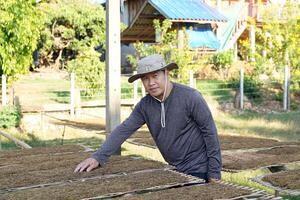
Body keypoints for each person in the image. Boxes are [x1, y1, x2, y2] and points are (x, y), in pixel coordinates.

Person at [74, 54, 222, 182]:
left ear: (166, 73)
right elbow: (123, 131)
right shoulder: (145, 106)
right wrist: (97, 157)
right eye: (145, 79)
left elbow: (210, 133)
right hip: (174, 169)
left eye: (155, 76)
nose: (151, 83)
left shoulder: (190, 97)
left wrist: (214, 172)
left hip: (199, 167)